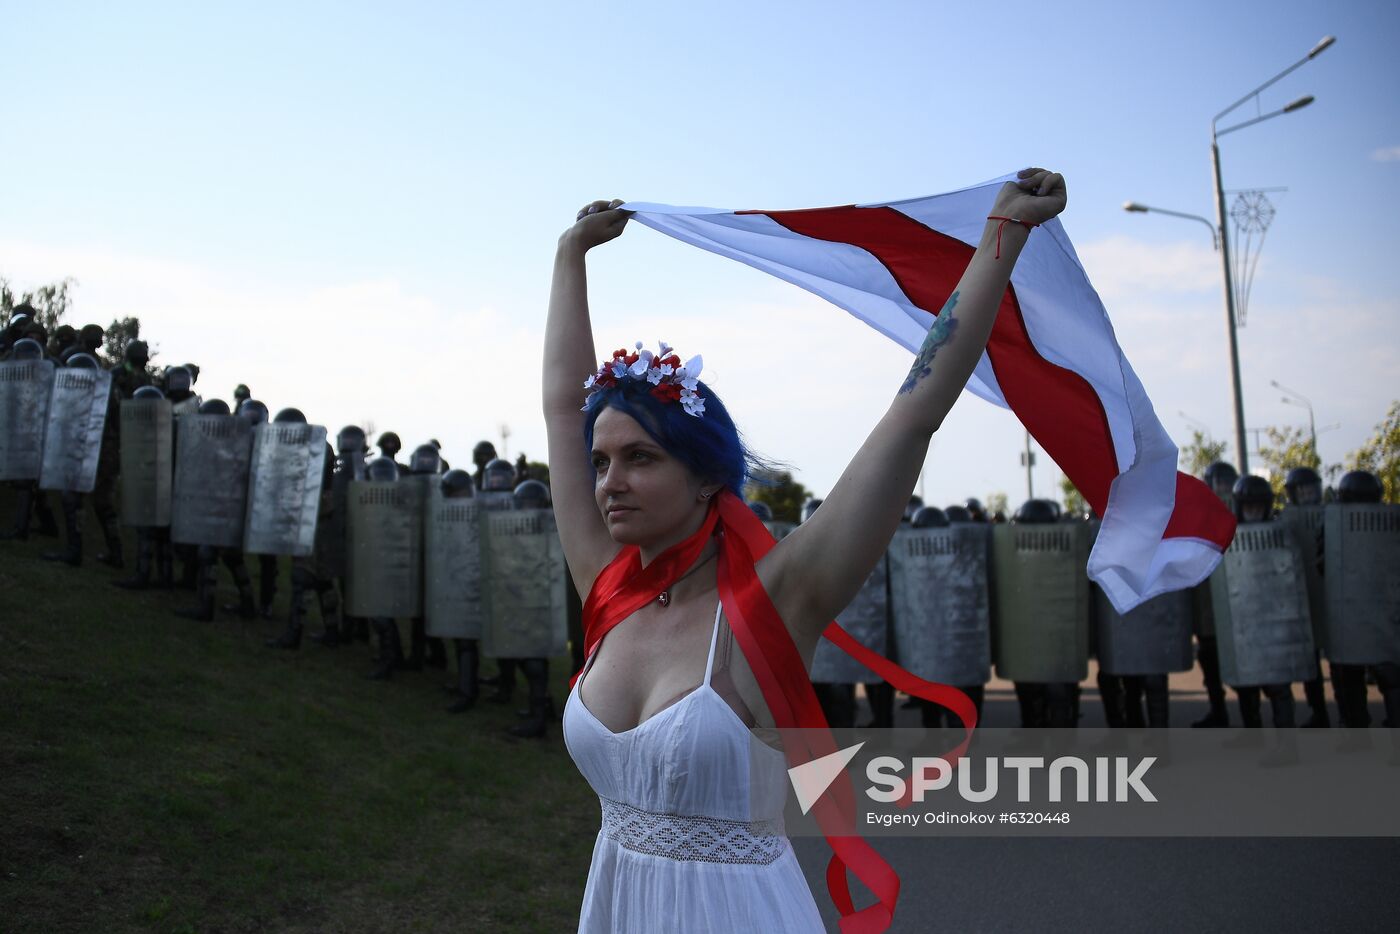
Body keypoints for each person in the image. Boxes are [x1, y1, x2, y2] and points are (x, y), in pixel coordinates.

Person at [548, 171, 1065, 931]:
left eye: (640, 459)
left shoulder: (776, 602)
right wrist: (569, 259)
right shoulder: (608, 588)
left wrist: (1002, 236)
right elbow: (565, 408)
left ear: (704, 479)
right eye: (601, 462)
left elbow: (914, 413)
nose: (608, 483)